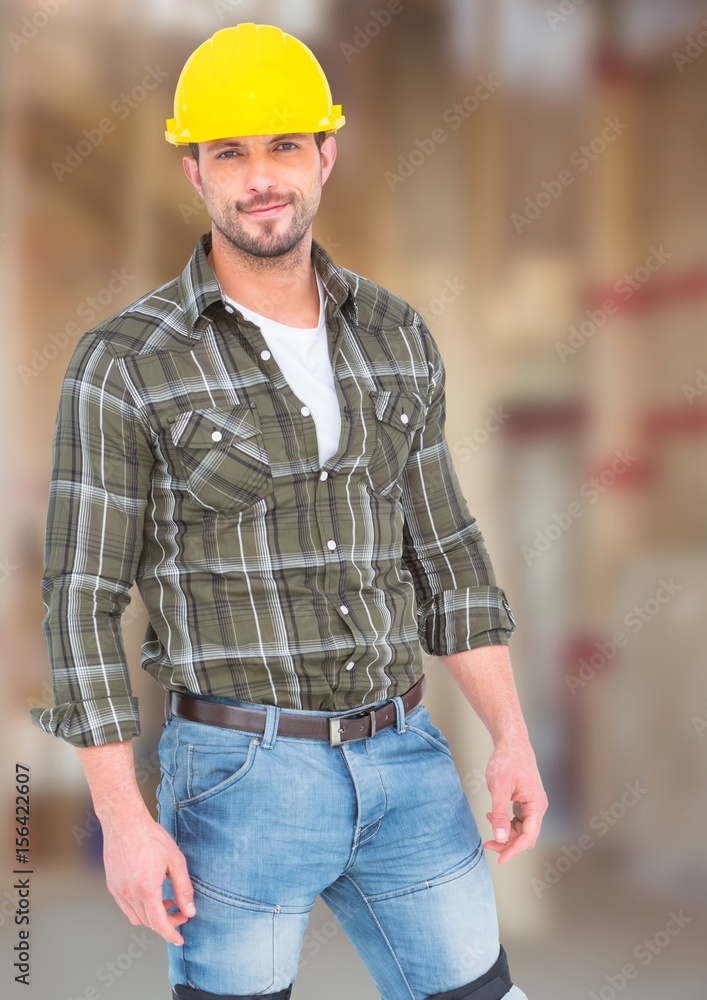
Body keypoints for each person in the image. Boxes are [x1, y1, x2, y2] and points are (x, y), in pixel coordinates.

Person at [30, 22, 546, 1000]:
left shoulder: (395, 334)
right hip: (239, 777)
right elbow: (80, 601)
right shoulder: (125, 363)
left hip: (406, 756)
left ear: (325, 155)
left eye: (282, 147)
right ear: (194, 171)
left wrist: (509, 737)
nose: (259, 176)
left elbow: (446, 556)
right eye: (230, 152)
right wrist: (126, 817)